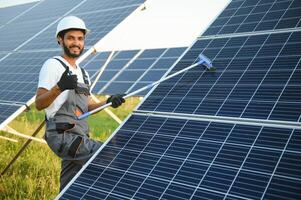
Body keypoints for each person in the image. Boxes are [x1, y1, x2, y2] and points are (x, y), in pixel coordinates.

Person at [35, 16, 125, 191]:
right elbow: (39, 103)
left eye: (80, 38)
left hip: (80, 136)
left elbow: (88, 105)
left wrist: (108, 102)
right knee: (110, 154)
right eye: (71, 38)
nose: (76, 42)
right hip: (63, 136)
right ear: (60, 40)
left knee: (70, 186)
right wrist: (59, 87)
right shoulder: (53, 65)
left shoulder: (83, 73)